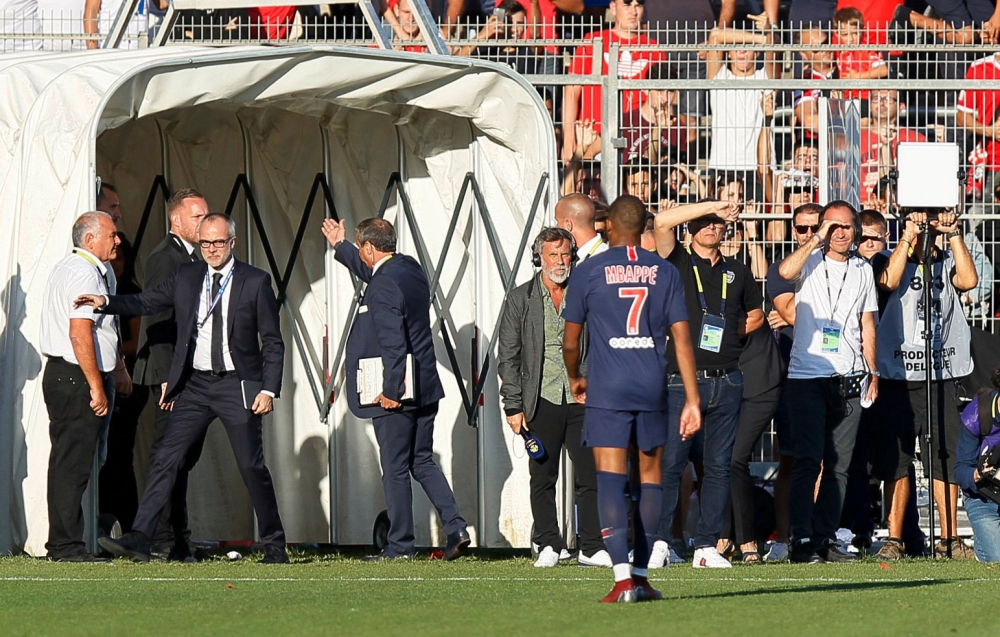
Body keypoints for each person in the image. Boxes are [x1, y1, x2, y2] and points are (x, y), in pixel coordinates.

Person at [80, 213, 290, 564]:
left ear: (232, 242)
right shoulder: (188, 275)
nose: (212, 249)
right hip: (195, 384)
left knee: (251, 466)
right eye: (205, 242)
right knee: (166, 457)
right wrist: (107, 302)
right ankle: (141, 536)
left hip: (236, 384)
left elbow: (272, 341)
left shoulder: (255, 281)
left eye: (218, 242)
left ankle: (274, 544)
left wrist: (268, 390)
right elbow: (147, 302)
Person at [562, 194, 701, 603]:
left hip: (608, 385)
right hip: (651, 384)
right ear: (644, 228)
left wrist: (575, 377)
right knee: (651, 478)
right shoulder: (664, 271)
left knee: (610, 478)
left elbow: (570, 341)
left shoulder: (589, 271)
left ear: (608, 226)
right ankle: (641, 577)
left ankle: (622, 580)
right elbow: (682, 339)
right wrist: (692, 399)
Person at [322, 217, 471, 561]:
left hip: (400, 393)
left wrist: (391, 390)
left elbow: (393, 344)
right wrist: (341, 246)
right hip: (426, 385)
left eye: (360, 247)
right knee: (422, 461)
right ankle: (456, 527)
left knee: (395, 468)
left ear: (369, 247)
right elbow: (373, 272)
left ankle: (400, 545)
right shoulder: (408, 268)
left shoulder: (382, 286)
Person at [648, 198, 765, 569]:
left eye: (718, 222)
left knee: (718, 466)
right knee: (672, 464)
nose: (712, 227)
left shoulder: (737, 270)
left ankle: (705, 545)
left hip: (727, 379)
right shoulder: (678, 262)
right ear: (692, 227)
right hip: (681, 381)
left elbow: (757, 314)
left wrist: (729, 335)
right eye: (704, 222)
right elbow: (661, 222)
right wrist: (713, 205)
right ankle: (659, 541)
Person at [497, 227, 609, 568]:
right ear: (539, 258)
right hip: (540, 399)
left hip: (583, 399)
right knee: (543, 476)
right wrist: (513, 405)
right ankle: (548, 542)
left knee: (590, 474)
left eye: (565, 254)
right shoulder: (520, 299)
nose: (560, 262)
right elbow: (508, 357)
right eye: (553, 255)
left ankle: (591, 546)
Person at [872, 210, 979, 559]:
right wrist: (908, 237)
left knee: (944, 455)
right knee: (898, 460)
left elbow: (968, 281)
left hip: (941, 374)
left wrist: (953, 233)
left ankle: (949, 538)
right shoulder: (886, 259)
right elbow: (888, 282)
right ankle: (894, 538)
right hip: (899, 376)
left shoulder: (947, 259)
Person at [777, 200, 879, 563]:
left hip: (850, 376)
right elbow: (785, 271)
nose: (839, 233)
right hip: (807, 376)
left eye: (846, 226)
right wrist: (816, 237)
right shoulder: (810, 259)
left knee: (840, 465)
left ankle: (824, 538)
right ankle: (800, 539)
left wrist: (874, 371)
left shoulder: (863, 269)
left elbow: (867, 323)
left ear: (856, 230)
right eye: (832, 226)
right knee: (808, 460)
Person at [40, 211, 123, 562]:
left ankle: (69, 542)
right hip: (75, 376)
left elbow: (106, 328)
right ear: (90, 240)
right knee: (71, 464)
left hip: (76, 375)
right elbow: (79, 333)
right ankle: (65, 545)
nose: (118, 240)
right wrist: (95, 386)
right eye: (111, 235)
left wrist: (117, 368)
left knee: (76, 461)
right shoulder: (83, 272)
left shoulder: (91, 269)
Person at [130, 189, 208, 561]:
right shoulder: (165, 257)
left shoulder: (194, 257)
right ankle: (162, 539)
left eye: (206, 215)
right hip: (170, 374)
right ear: (176, 219)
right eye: (197, 216)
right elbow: (158, 318)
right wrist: (166, 376)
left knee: (183, 458)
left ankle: (177, 539)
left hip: (190, 372)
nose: (204, 223)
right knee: (167, 456)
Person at [762, 202, 823, 561]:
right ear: (793, 231)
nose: (810, 234)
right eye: (802, 228)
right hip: (793, 373)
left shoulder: (843, 267)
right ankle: (784, 538)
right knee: (790, 460)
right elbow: (788, 311)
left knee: (828, 461)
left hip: (833, 370)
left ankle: (821, 534)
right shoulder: (783, 269)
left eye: (817, 227)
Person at [562, 0, 664, 164]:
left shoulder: (654, 49)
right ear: (613, 8)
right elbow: (572, 92)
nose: (633, 12)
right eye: (627, 5)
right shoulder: (594, 41)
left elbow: (661, 97)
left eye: (638, 6)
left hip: (637, 139)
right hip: (592, 136)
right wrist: (568, 139)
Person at [98, 232, 146, 533]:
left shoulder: (130, 294)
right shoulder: (98, 288)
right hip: (107, 377)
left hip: (128, 381)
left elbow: (137, 343)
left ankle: (126, 522)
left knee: (119, 454)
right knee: (106, 455)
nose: (113, 263)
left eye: (119, 258)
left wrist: (106, 350)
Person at [704, 13, 781, 201]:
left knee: (760, 218)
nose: (742, 51)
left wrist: (768, 32)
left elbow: (776, 48)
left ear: (757, 52)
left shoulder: (765, 78)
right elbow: (715, 36)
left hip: (760, 166)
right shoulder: (720, 78)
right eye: (736, 46)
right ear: (728, 52)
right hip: (723, 164)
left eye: (748, 47)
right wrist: (760, 39)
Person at [956, 369, 1000, 562]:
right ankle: (984, 549)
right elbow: (960, 470)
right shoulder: (976, 413)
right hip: (982, 498)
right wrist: (977, 474)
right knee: (997, 559)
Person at [834, 7, 888, 102]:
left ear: (862, 31)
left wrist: (858, 76)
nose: (851, 39)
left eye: (855, 33)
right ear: (837, 34)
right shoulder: (838, 51)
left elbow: (884, 70)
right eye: (845, 35)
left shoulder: (867, 49)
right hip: (847, 98)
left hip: (866, 98)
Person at [554, 193, 607, 262]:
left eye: (557, 221)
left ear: (568, 225)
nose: (556, 227)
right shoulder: (605, 254)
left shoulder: (599, 260)